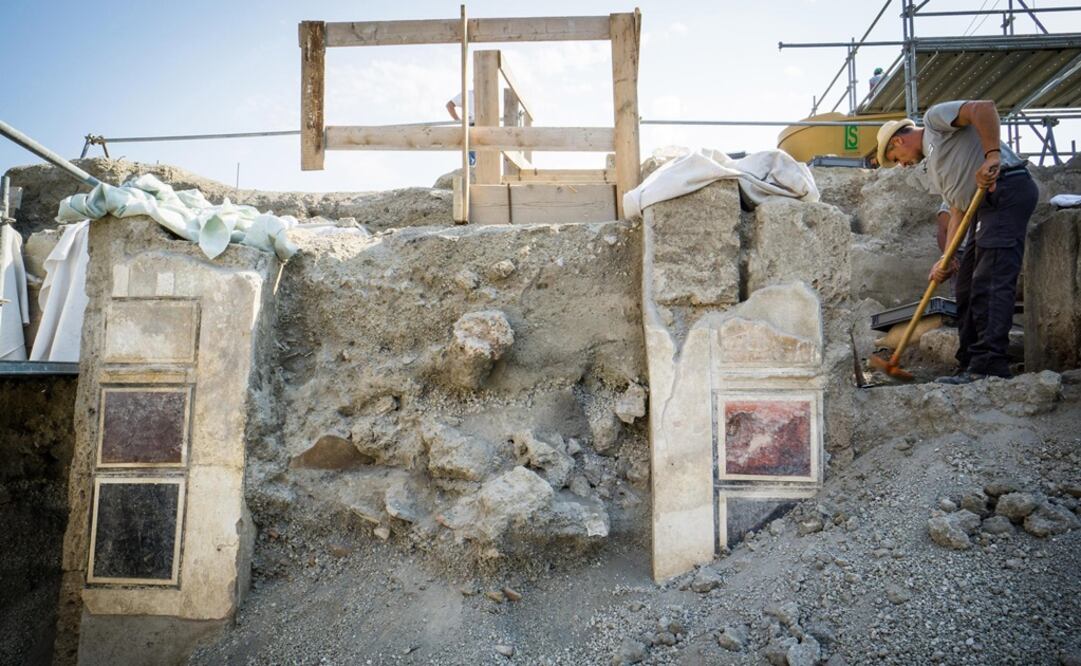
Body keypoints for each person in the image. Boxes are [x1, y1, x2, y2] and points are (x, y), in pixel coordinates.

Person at [875, 100, 1037, 383]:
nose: (902, 165)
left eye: (896, 158)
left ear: (898, 141)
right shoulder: (935, 166)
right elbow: (957, 211)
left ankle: (990, 367)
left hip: (1005, 189)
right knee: (965, 286)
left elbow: (983, 109)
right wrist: (946, 258)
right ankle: (971, 362)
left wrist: (992, 156)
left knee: (990, 279)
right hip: (981, 207)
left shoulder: (935, 121)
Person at [446, 91, 476, 167]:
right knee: (473, 159)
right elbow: (449, 105)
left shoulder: (488, 96)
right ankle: (472, 168)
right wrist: (458, 121)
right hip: (472, 125)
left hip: (484, 125)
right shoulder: (467, 94)